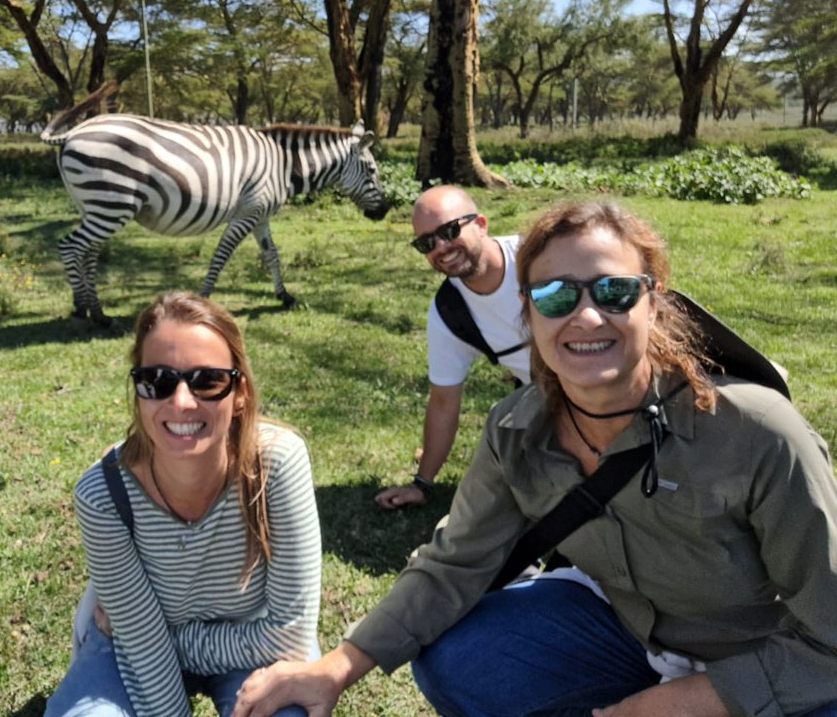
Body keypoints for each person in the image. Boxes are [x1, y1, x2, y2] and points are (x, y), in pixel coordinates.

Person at [236, 200, 837, 717]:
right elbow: (456, 564)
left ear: (653, 302)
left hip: (772, 655)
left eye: (614, 290)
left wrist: (687, 701)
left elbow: (831, 640)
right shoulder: (517, 428)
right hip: (631, 635)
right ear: (527, 312)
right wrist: (337, 667)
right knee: (456, 657)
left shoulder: (756, 430)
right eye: (554, 295)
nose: (586, 315)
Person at [47, 291, 322, 717]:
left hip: (247, 642)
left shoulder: (276, 464)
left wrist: (165, 640)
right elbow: (143, 653)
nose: (181, 402)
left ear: (241, 391)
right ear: (138, 390)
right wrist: (144, 642)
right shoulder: (103, 494)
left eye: (207, 380)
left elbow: (289, 636)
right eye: (157, 380)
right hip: (133, 655)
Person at [376, 185, 530, 510]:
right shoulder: (451, 312)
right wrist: (422, 483)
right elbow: (444, 402)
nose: (442, 248)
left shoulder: (536, 256)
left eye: (449, 230)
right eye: (426, 243)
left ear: (482, 224)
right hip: (550, 401)